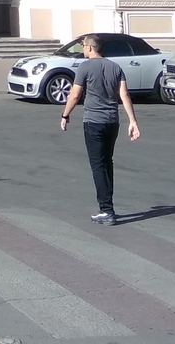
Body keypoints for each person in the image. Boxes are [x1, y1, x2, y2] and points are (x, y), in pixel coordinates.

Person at [60, 34, 141, 227]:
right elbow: (125, 95)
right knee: (107, 163)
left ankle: (106, 210)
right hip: (112, 122)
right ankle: (108, 206)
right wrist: (133, 121)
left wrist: (65, 115)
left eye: (83, 46)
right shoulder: (115, 67)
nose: (82, 49)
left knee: (98, 166)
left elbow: (74, 95)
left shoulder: (85, 67)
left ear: (89, 47)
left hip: (93, 122)